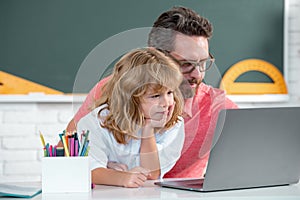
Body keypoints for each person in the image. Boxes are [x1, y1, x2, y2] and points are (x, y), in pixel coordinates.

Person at [68, 6, 238, 178]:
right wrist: (101, 169)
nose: (198, 74)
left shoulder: (217, 106)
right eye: (186, 64)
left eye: (203, 63)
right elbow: (67, 150)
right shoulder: (113, 90)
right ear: (157, 58)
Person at [76, 48, 185, 188]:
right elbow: (92, 171)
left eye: (170, 92)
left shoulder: (174, 124)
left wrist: (148, 130)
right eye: (155, 96)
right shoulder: (95, 123)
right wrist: (122, 178)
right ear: (129, 98)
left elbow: (152, 174)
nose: (166, 103)